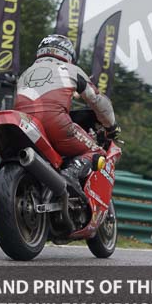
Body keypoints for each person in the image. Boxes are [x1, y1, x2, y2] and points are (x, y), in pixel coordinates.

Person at [15, 34, 120, 190]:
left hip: (23, 123)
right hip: (55, 123)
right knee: (97, 152)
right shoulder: (71, 69)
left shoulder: (25, 73)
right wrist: (111, 126)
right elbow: (98, 101)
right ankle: (70, 174)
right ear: (68, 53)